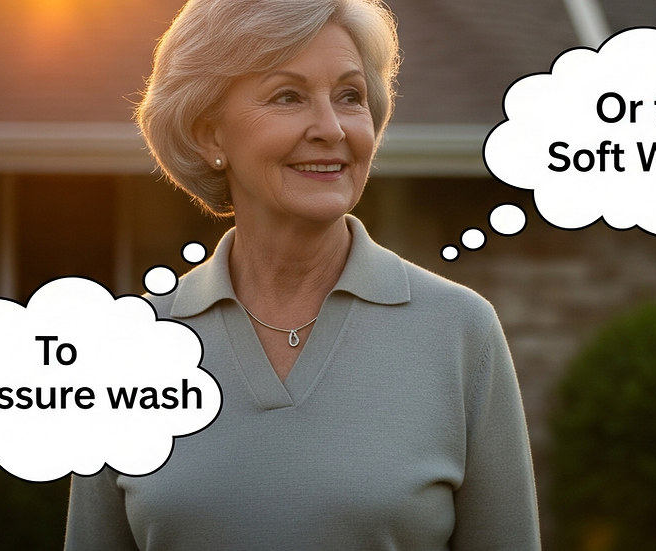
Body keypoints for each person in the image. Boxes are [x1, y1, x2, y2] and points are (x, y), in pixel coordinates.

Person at [64, 0, 541, 548]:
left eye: (350, 96)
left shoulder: (460, 331)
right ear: (209, 134)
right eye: (287, 96)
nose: (331, 128)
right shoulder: (123, 349)